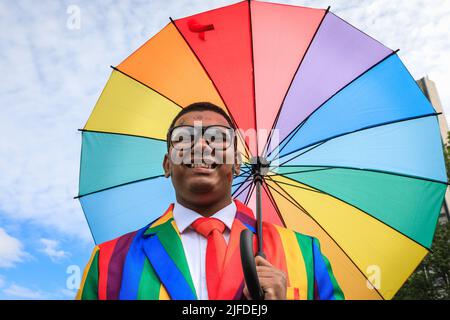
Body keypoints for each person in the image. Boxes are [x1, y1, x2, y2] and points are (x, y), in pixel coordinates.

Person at [76, 102, 344, 300]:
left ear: (237, 164)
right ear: (167, 164)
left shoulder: (305, 253)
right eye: (184, 139)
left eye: (217, 138)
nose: (201, 147)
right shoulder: (108, 261)